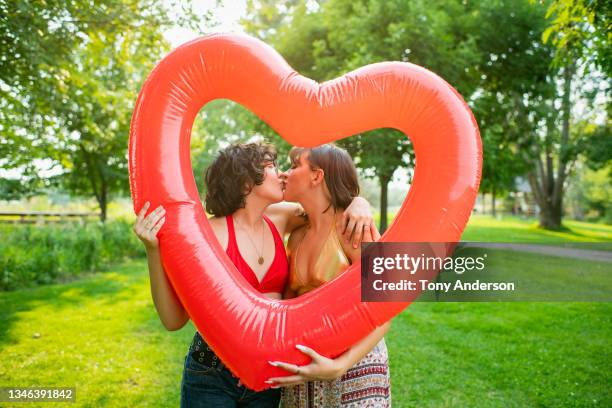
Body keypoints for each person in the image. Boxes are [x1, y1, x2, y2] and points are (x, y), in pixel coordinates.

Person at [132, 141, 375, 407]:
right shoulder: (208, 235)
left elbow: (324, 207)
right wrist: (153, 252)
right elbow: (172, 320)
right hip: (213, 374)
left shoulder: (281, 219)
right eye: (272, 167)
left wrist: (359, 202)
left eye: (287, 166)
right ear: (247, 182)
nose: (281, 174)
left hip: (268, 377)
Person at [267, 144, 391, 407]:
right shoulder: (297, 235)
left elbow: (387, 307)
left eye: (294, 165)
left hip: (354, 367)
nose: (285, 174)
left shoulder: (354, 229)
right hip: (305, 369)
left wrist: (340, 365)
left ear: (317, 175)